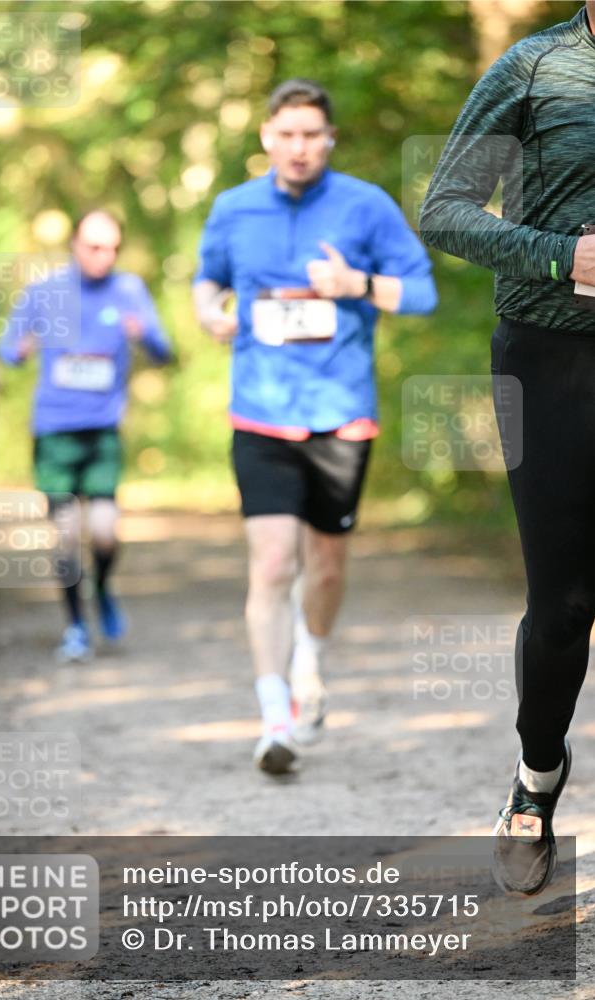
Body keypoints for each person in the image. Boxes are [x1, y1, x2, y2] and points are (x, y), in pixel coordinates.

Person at [194, 79, 437, 775]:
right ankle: (275, 717)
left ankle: (310, 660)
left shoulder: (365, 206)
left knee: (325, 567)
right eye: (287, 134)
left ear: (328, 139)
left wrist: (357, 285)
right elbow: (206, 283)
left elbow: (420, 292)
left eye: (312, 135)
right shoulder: (232, 210)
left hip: (340, 413)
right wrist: (210, 313)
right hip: (260, 411)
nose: (299, 147)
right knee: (272, 563)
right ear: (266, 137)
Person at [419, 3, 595, 893]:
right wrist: (560, 255)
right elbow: (444, 209)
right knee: (565, 603)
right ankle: (534, 783)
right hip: (549, 354)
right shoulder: (535, 69)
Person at [0, 210, 172, 663]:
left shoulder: (129, 290)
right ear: (75, 245)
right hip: (55, 429)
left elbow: (162, 349)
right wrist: (21, 348)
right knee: (65, 535)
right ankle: (76, 625)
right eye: (95, 247)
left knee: (104, 534)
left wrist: (145, 335)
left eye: (112, 248)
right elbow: (8, 348)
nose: (104, 256)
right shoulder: (47, 291)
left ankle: (104, 588)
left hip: (102, 430)